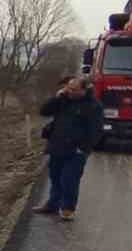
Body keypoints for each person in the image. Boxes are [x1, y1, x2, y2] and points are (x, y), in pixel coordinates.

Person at [35, 76, 104, 220]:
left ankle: (67, 208)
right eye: (68, 88)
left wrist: (84, 148)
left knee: (69, 179)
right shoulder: (63, 100)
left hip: (76, 151)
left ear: (85, 90)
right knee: (55, 177)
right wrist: (57, 98)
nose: (70, 91)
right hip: (57, 145)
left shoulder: (93, 106)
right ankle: (52, 204)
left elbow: (96, 130)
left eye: (74, 90)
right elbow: (44, 111)